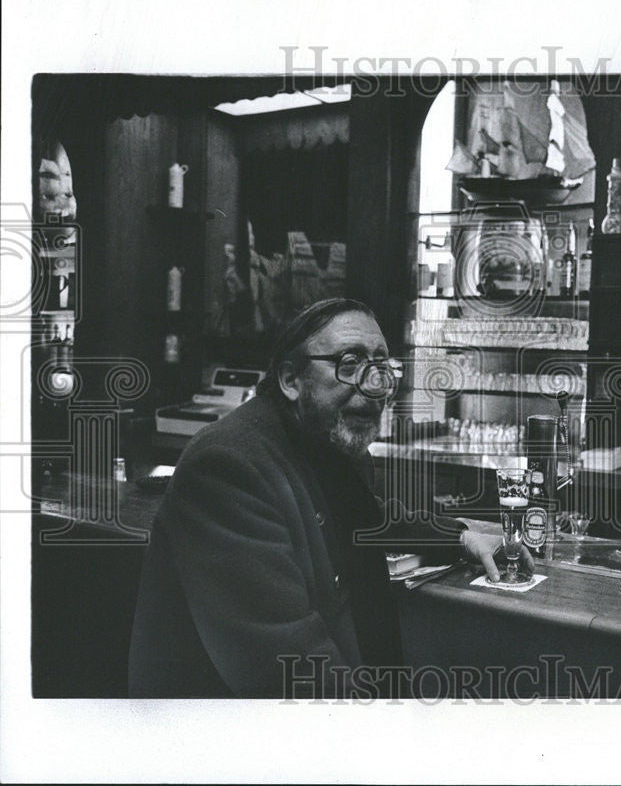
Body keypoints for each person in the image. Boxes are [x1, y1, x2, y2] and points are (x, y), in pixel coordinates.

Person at [128, 297, 532, 698]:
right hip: (218, 738)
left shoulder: (325, 439)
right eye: (350, 364)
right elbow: (288, 663)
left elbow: (367, 516)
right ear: (290, 379)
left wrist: (460, 538)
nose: (374, 386)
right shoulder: (228, 465)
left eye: (381, 367)